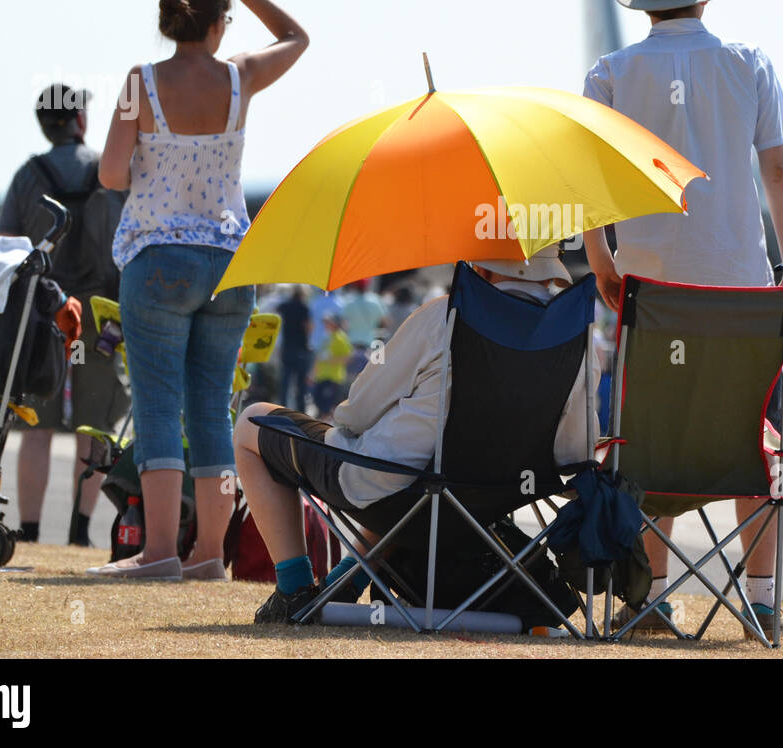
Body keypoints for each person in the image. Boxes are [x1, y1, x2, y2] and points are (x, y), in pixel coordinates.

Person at [580, 0, 783, 637]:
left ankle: (650, 595)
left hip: (649, 282)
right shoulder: (748, 63)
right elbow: (775, 173)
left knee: (654, 433)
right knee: (752, 436)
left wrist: (601, 258)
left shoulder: (610, 71)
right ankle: (761, 600)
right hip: (741, 285)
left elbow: (589, 180)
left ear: (643, 3)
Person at [89, 0, 308, 580]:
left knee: (158, 404)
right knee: (211, 406)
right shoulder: (240, 77)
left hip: (158, 258)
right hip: (229, 259)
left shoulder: (142, 83)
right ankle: (210, 555)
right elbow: (298, 36)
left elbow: (109, 172)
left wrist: (153, 168)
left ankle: (158, 552)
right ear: (218, 24)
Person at [233, 252, 594, 622]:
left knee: (251, 422)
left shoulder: (444, 315)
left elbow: (357, 411)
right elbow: (574, 452)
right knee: (417, 468)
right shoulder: (577, 336)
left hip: (400, 497)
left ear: (481, 267)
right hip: (483, 509)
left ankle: (294, 590)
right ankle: (345, 583)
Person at [0, 83, 129, 546]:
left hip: (42, 315)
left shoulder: (26, 176)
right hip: (102, 317)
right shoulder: (111, 173)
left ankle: (30, 531)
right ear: (80, 121)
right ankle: (78, 532)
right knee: (92, 429)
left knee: (37, 426)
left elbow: (6, 248)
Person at [274, 286, 313, 412]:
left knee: (285, 381)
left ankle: (281, 408)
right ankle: (301, 410)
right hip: (301, 348)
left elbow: (275, 311)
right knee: (300, 384)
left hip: (287, 347)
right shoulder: (304, 308)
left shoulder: (285, 306)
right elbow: (308, 327)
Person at [311, 311, 352, 417]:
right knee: (319, 404)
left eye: (329, 322)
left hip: (332, 378)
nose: (326, 324)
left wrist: (330, 359)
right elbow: (319, 357)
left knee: (326, 408)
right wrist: (313, 374)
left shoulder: (340, 338)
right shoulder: (328, 337)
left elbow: (347, 358)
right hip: (322, 377)